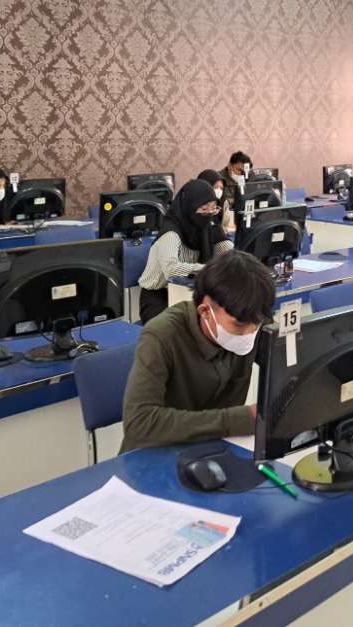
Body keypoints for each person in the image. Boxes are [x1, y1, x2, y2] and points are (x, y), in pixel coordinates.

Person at [121, 250, 276, 453]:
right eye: (238, 325)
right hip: (154, 455)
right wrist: (241, 419)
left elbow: (293, 359)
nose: (250, 333)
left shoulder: (251, 318)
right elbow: (139, 424)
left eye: (256, 324)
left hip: (214, 448)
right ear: (205, 312)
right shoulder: (161, 336)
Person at [137, 179, 232, 324]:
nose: (210, 213)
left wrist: (234, 261)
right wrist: (208, 269)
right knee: (184, 330)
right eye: (204, 209)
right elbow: (172, 270)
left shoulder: (210, 225)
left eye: (213, 208)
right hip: (159, 297)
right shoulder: (171, 233)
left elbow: (227, 251)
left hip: (190, 293)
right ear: (189, 208)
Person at [197, 169, 233, 233]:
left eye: (221, 188)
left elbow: (225, 226)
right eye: (215, 187)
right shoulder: (195, 203)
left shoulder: (223, 203)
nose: (219, 191)